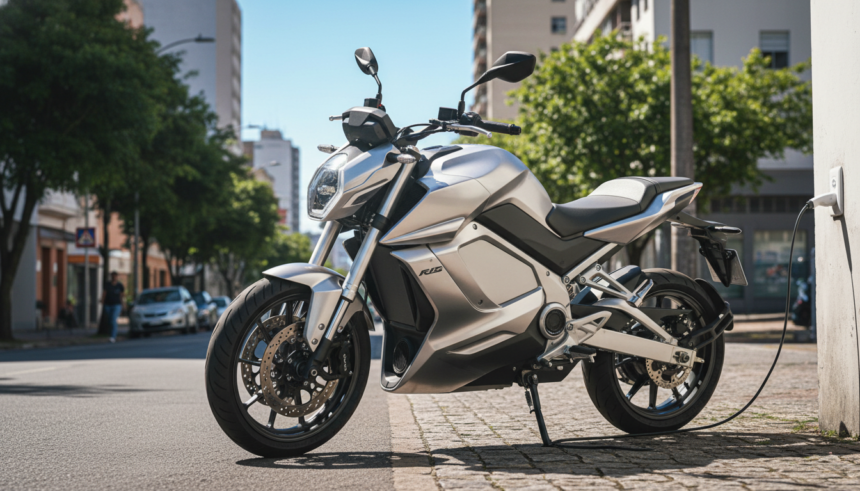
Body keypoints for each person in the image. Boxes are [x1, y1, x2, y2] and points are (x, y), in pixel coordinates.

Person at [102, 272, 125, 343]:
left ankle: (113, 337)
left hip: (117, 305)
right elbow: (104, 293)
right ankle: (111, 334)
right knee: (110, 320)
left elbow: (122, 296)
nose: (114, 277)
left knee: (113, 319)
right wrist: (102, 301)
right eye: (113, 276)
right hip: (108, 304)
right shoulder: (107, 285)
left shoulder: (119, 285)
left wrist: (123, 305)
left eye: (115, 276)